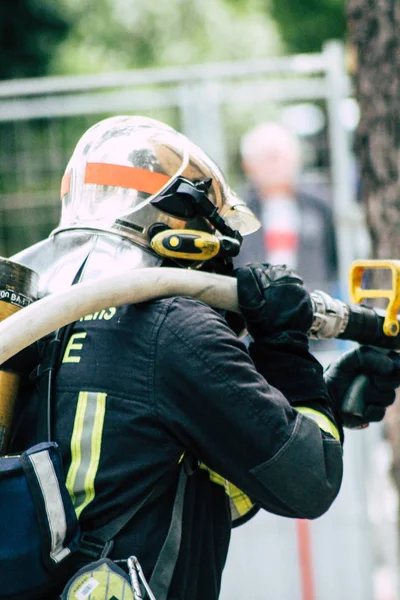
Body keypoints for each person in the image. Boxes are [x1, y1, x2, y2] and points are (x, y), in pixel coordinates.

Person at [7, 115, 400, 600]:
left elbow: (193, 479)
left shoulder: (36, 317)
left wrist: (325, 402)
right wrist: (284, 348)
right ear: (181, 221)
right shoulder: (170, 326)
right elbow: (308, 481)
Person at [237, 121, 338, 293]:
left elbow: (333, 258)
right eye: (267, 158)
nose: (275, 166)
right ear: (248, 166)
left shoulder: (319, 206)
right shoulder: (238, 212)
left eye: (280, 157)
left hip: (315, 304)